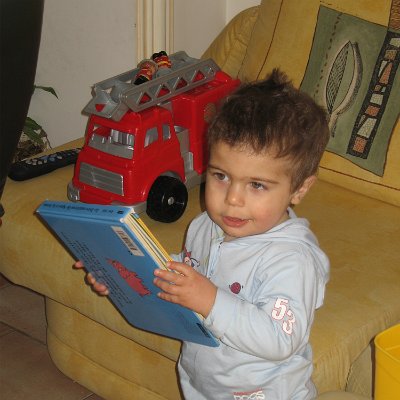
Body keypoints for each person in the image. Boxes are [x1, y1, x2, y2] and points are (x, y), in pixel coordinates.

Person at [75, 69, 330, 399]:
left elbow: (280, 338)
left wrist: (209, 300)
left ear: (299, 188)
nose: (232, 199)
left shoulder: (292, 261)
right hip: (203, 387)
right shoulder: (205, 226)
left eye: (256, 185)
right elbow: (181, 277)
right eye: (221, 176)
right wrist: (119, 269)